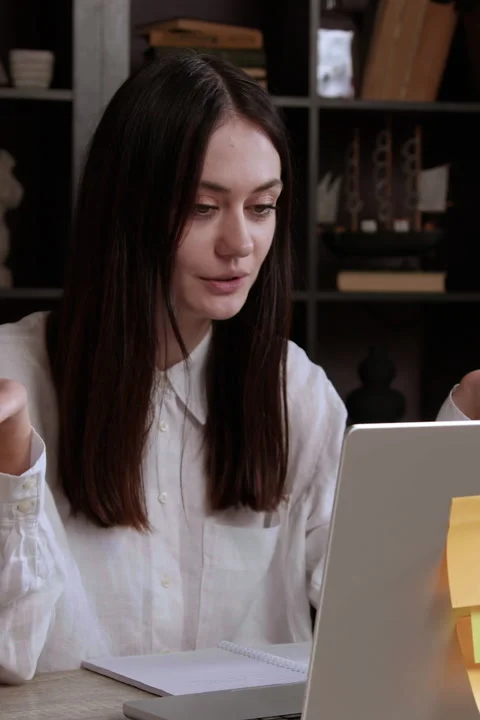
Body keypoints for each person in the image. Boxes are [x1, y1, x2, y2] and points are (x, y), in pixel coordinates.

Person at [0, 54, 347, 684]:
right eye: (202, 208)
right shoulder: (15, 378)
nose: (239, 244)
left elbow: (372, 620)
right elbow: (7, 653)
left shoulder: (296, 392)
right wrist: (12, 466)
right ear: (127, 211)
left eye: (262, 207)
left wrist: (457, 441)